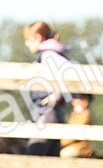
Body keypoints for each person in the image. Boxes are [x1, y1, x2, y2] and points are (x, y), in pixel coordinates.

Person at [22, 21, 74, 157]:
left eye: (28, 40)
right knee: (50, 165)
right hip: (52, 114)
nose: (26, 44)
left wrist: (56, 96)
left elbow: (70, 73)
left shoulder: (48, 55)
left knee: (31, 164)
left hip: (47, 114)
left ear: (38, 38)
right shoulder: (48, 54)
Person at [60, 94, 93, 158]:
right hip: (72, 146)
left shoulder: (84, 115)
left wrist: (61, 142)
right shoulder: (74, 115)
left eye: (80, 99)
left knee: (63, 154)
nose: (75, 101)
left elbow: (73, 135)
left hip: (79, 147)